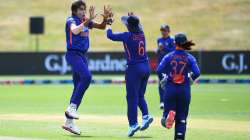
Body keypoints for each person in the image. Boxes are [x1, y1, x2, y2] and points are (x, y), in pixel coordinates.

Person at [62, 0, 112, 135]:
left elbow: (101, 27)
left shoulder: (85, 20)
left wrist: (106, 19)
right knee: (87, 77)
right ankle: (72, 108)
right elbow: (74, 30)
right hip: (73, 54)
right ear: (74, 11)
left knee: (78, 86)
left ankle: (69, 122)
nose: (83, 11)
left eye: (84, 9)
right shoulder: (71, 20)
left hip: (82, 56)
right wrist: (86, 21)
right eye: (80, 10)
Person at [105, 12, 153, 137]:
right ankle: (146, 115)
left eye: (127, 24)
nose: (125, 26)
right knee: (140, 95)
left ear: (130, 27)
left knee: (131, 98)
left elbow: (110, 35)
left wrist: (108, 23)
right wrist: (134, 18)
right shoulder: (142, 34)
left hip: (134, 69)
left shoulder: (127, 36)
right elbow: (138, 25)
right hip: (146, 67)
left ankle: (133, 124)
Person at [157, 33, 200, 140]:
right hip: (184, 89)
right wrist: (191, 79)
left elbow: (158, 70)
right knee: (182, 118)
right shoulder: (190, 57)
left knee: (166, 116)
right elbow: (197, 72)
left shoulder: (168, 56)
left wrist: (163, 79)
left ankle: (168, 115)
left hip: (170, 88)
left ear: (174, 43)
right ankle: (179, 137)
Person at [156, 24, 175, 109]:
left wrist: (164, 47)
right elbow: (160, 51)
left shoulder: (172, 40)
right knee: (161, 83)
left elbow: (173, 51)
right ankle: (162, 101)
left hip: (170, 65)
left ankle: (170, 100)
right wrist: (158, 50)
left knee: (171, 82)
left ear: (168, 31)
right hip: (161, 64)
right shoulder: (159, 40)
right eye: (162, 30)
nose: (163, 32)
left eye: (164, 30)